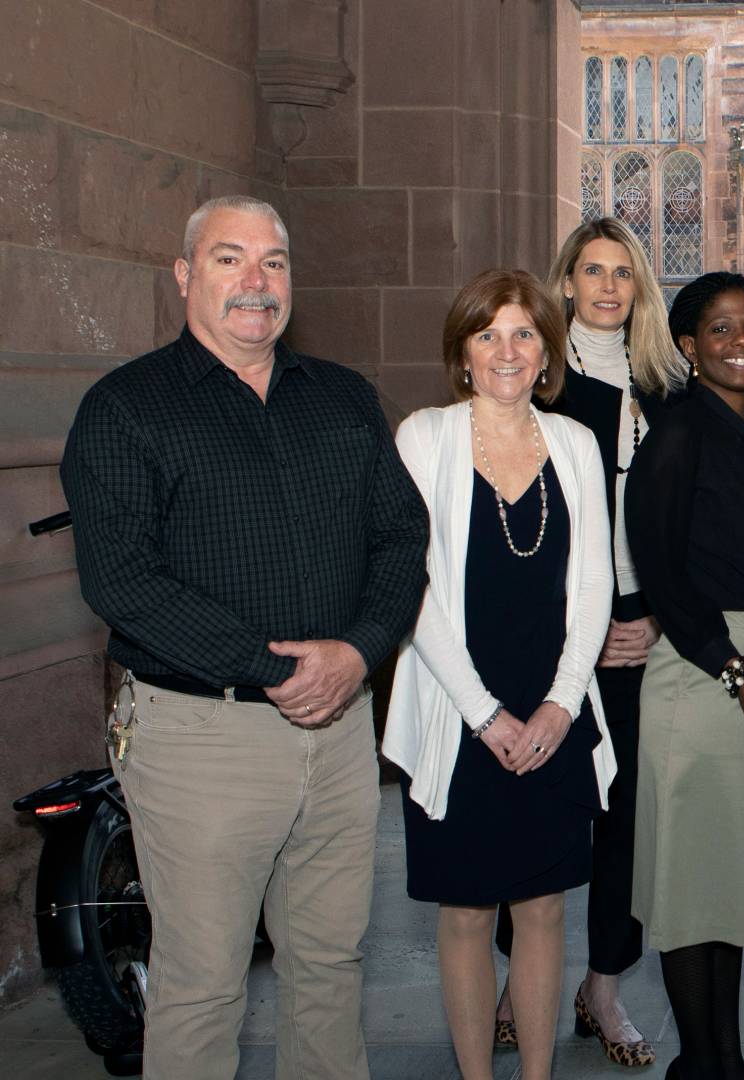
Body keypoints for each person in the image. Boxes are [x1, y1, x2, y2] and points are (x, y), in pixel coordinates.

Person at [60, 195, 429, 1079]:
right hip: (203, 738)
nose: (256, 283)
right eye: (230, 259)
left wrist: (358, 650)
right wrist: (268, 667)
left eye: (274, 262)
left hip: (340, 733)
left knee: (329, 968)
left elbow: (401, 537)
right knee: (203, 984)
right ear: (186, 276)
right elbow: (123, 581)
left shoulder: (342, 397)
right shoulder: (126, 408)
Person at [384, 269, 617, 1080]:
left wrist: (558, 706)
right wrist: (485, 715)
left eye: (523, 333)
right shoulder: (424, 437)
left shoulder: (576, 444)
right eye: (488, 335)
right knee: (465, 913)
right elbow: (409, 589)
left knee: (546, 908)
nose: (506, 351)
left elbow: (593, 586)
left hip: (552, 704)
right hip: (460, 712)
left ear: (547, 350)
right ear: (463, 353)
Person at [491, 217, 681, 1066]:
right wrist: (590, 626)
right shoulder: (537, 384)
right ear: (564, 283)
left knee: (630, 815)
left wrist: (657, 616)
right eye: (591, 271)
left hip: (648, 624)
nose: (607, 287)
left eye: (623, 273)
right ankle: (514, 979)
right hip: (557, 627)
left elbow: (689, 521)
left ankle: (603, 983)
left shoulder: (668, 385)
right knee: (536, 803)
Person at [626, 272, 744, 1080]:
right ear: (690, 347)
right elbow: (663, 573)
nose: (742, 343)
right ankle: (708, 1062)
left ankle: (719, 1057)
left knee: (728, 879)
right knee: (693, 887)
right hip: (704, 675)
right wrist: (737, 672)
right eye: (722, 329)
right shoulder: (674, 434)